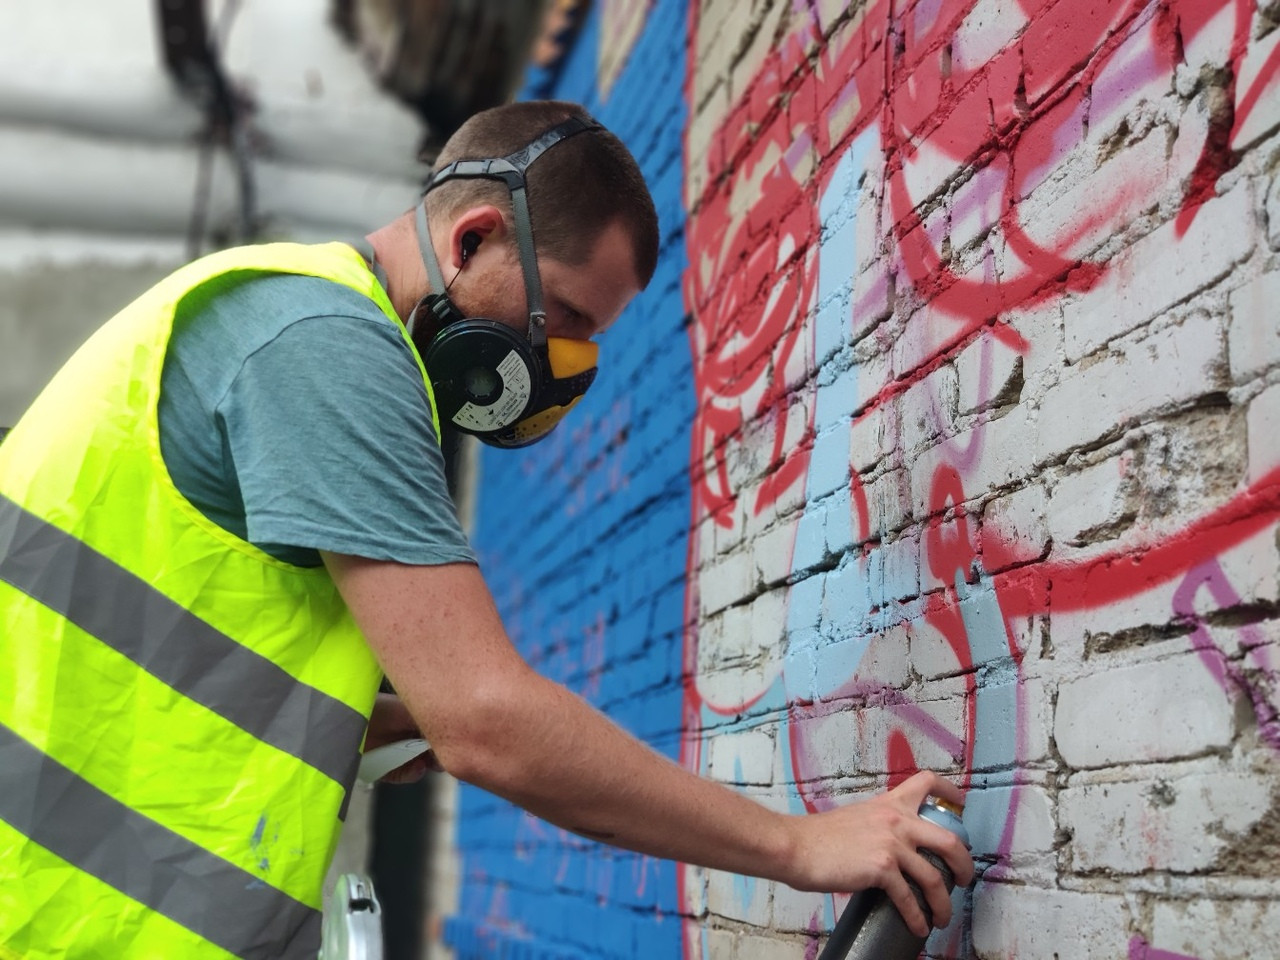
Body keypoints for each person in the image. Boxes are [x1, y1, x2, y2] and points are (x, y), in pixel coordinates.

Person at [0, 99, 972, 959]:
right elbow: (484, 721)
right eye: (566, 319)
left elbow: (133, 659)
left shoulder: (268, 318)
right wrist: (799, 845)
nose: (563, 365)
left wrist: (360, 724)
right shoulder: (328, 350)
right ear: (470, 241)